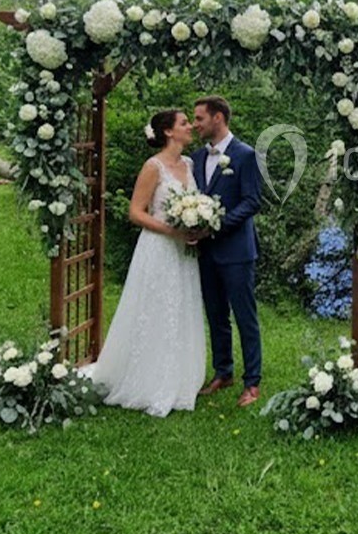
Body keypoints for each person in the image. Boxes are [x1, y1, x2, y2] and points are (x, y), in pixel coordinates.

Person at [87, 110, 207, 416]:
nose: (190, 126)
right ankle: (147, 379)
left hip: (184, 253)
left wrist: (196, 228)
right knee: (155, 308)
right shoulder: (153, 167)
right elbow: (136, 212)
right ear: (168, 132)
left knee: (180, 307)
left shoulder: (190, 164)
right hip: (159, 248)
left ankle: (179, 378)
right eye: (184, 123)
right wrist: (173, 230)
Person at [189, 95, 264, 407]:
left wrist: (216, 225)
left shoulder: (245, 155)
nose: (195, 125)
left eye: (199, 119)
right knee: (216, 314)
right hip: (205, 251)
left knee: (245, 317)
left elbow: (252, 201)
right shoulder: (195, 157)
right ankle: (224, 371)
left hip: (236, 250)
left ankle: (252, 383)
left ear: (218, 118)